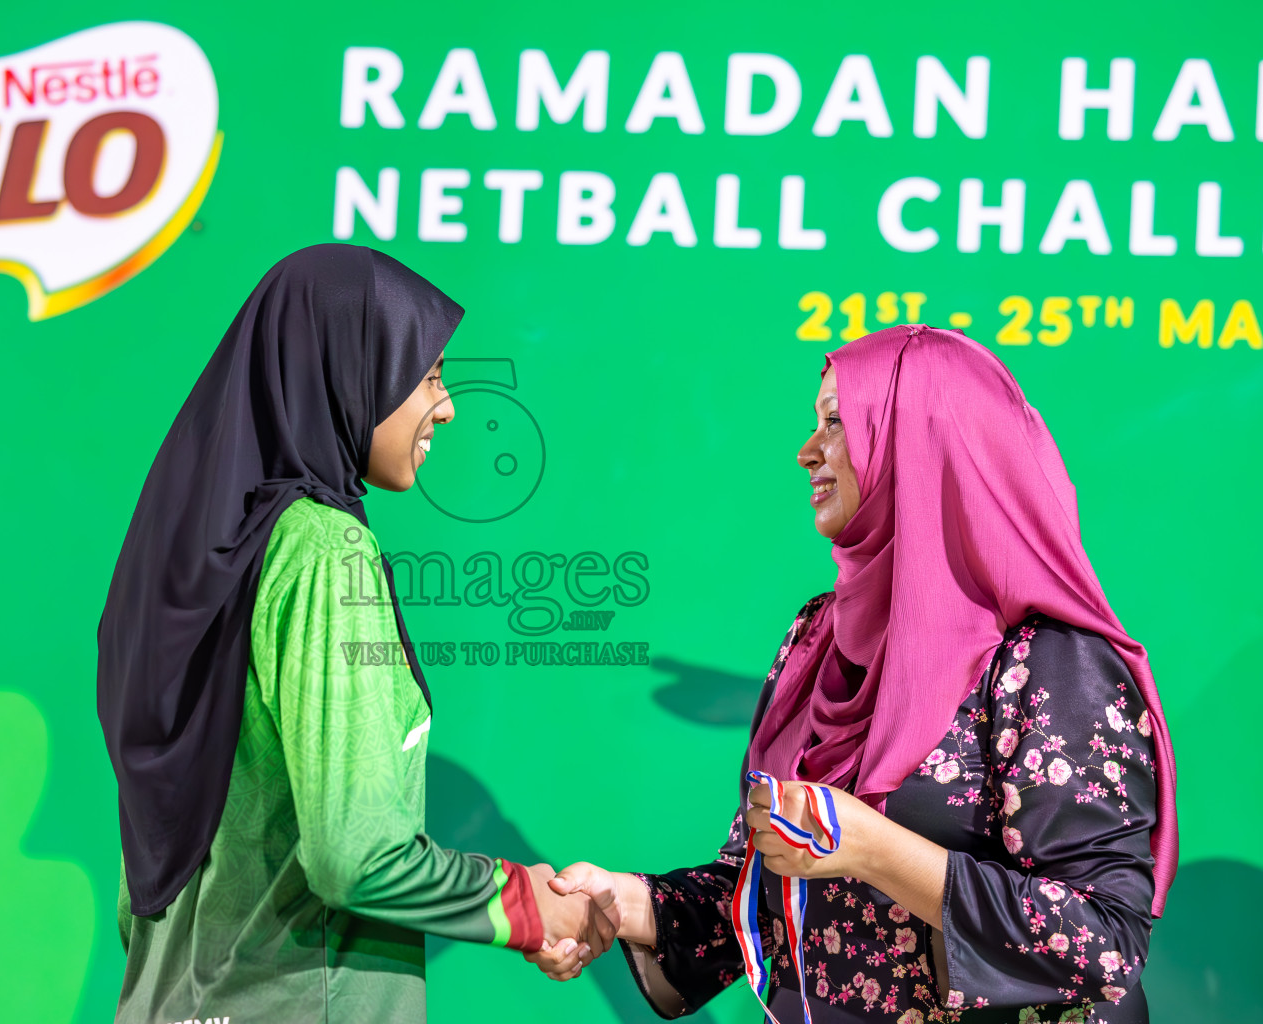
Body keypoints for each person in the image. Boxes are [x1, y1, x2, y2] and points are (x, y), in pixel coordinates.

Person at [525, 325, 1177, 1023]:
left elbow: (1102, 942)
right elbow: (766, 881)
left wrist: (875, 849)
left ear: (919, 446)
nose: (807, 452)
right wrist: (624, 903)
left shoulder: (1048, 662)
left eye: (837, 423)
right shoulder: (820, 638)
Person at [96, 244, 617, 1023]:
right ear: (350, 365)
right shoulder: (321, 550)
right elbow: (357, 856)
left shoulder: (188, 559)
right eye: (429, 372)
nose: (447, 406)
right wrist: (530, 906)